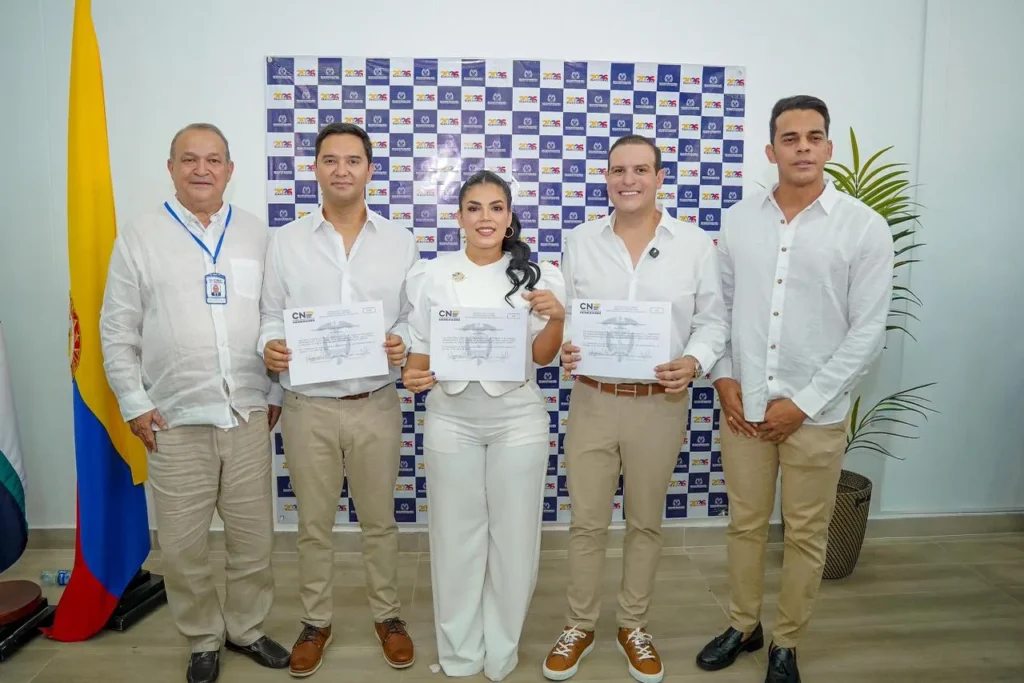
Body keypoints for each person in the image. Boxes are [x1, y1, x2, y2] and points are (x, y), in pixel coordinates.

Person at [694, 96, 894, 683]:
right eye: (790, 137)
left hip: (818, 412)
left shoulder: (863, 227)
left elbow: (868, 332)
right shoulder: (738, 220)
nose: (802, 146)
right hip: (745, 407)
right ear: (771, 150)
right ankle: (742, 624)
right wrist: (725, 376)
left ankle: (786, 641)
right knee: (745, 523)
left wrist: (803, 403)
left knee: (806, 533)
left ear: (828, 147)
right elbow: (720, 310)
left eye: (813, 136)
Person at [100, 122, 290, 683]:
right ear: (172, 167)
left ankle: (247, 629)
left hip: (248, 415)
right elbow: (117, 329)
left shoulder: (258, 235)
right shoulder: (140, 236)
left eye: (213, 160)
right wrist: (134, 402)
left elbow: (275, 319)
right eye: (189, 159)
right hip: (174, 419)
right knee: (183, 547)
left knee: (254, 538)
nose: (201, 169)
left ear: (231, 170)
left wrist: (275, 390)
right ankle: (203, 637)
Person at [542, 135, 730, 683]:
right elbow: (569, 317)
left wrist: (694, 361)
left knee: (645, 522)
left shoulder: (694, 245)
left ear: (659, 177)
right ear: (606, 177)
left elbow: (713, 322)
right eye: (618, 170)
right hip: (595, 399)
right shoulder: (580, 241)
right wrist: (570, 341)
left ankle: (633, 624)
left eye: (640, 170)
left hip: (659, 404)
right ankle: (579, 623)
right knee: (587, 523)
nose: (629, 179)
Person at [258, 122, 419, 677]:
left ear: (370, 170)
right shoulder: (286, 241)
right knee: (314, 526)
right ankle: (316, 620)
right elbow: (271, 315)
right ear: (317, 169)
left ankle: (388, 616)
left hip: (375, 400)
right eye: (331, 160)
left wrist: (404, 340)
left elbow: (410, 318)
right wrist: (270, 345)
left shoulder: (401, 242)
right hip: (308, 407)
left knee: (379, 521)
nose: (342, 170)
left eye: (353, 160)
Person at [401, 170, 566, 682]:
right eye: (474, 208)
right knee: (455, 540)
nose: (486, 218)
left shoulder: (540, 275)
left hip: (518, 418)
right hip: (451, 418)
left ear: (510, 217)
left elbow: (542, 356)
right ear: (459, 217)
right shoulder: (431, 274)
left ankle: (501, 651)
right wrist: (412, 374)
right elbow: (419, 354)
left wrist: (557, 318)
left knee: (515, 540)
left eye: (496, 208)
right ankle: (460, 653)